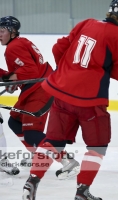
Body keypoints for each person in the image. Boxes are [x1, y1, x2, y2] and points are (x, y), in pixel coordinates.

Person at [22, 0, 118, 199]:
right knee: (97, 147)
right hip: (90, 101)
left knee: (53, 142)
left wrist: (70, 71)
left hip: (61, 93)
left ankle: (32, 180)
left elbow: (58, 48)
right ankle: (82, 192)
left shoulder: (86, 23)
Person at [0, 16, 80, 178]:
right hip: (34, 89)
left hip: (40, 90)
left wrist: (9, 79)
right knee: (15, 121)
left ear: (12, 32)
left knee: (31, 131)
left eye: (2, 31)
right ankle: (37, 155)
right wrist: (11, 79)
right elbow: (28, 69)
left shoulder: (13, 47)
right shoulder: (22, 42)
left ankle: (67, 161)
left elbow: (30, 72)